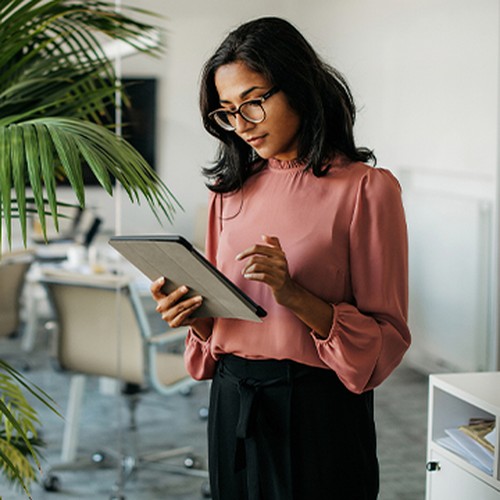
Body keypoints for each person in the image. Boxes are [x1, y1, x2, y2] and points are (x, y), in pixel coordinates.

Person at [151, 16, 411, 500]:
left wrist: (292, 293)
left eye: (253, 102)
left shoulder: (366, 190)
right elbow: (222, 329)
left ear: (298, 88)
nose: (242, 124)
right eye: (228, 111)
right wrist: (196, 318)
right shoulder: (227, 193)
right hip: (231, 399)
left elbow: (387, 339)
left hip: (318, 410)